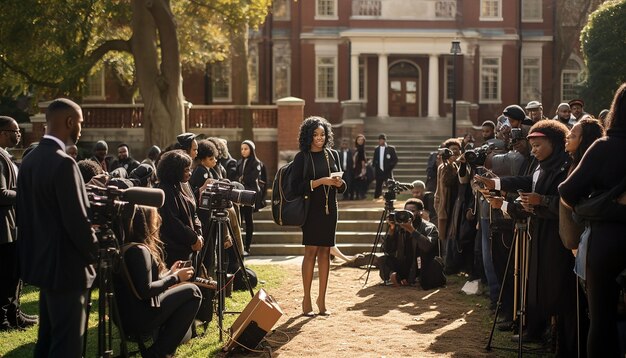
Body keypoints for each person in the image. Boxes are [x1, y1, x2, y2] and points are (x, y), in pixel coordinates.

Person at [476, 120, 577, 354]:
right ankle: (545, 336)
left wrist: (539, 202)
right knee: (539, 287)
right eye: (531, 146)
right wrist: (496, 183)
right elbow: (526, 182)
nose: (533, 151)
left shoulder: (564, 167)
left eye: (538, 145)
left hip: (556, 238)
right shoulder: (541, 165)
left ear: (554, 143)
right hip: (538, 234)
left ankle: (559, 343)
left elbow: (564, 205)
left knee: (557, 293)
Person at [16, 99, 99, 357]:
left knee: (48, 340)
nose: (81, 129)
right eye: (81, 123)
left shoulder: (29, 160)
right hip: (68, 268)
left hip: (43, 264)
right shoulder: (64, 162)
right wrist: (97, 254)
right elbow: (76, 223)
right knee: (68, 345)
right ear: (70, 122)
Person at [559, 83, 626, 357]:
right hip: (606, 238)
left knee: (601, 320)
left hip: (605, 241)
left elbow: (567, 192)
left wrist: (592, 209)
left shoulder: (604, 147)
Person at [114, 206, 201, 357]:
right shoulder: (139, 251)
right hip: (141, 317)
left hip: (125, 317)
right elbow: (145, 291)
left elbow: (141, 283)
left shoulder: (125, 248)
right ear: (146, 223)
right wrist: (175, 278)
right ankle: (158, 353)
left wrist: (170, 273)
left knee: (189, 291)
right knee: (193, 292)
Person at [289, 116, 345, 316]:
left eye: (322, 134)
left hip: (330, 209)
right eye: (315, 135)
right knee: (311, 251)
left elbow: (342, 186)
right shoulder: (301, 158)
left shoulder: (332, 155)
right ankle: (306, 298)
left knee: (325, 252)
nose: (319, 138)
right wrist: (320, 181)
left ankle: (322, 299)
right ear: (308, 136)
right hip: (311, 211)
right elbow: (295, 187)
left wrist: (339, 183)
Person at [0, 116, 37, 331]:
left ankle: (14, 314)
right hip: (2, 229)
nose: (18, 134)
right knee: (5, 276)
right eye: (15, 131)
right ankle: (3, 318)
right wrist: (26, 193)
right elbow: (2, 194)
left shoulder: (5, 155)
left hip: (12, 226)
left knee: (14, 275)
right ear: (3, 133)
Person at [157, 150, 203, 267]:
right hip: (174, 252)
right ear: (175, 171)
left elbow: (194, 213)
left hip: (188, 247)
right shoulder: (165, 190)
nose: (190, 173)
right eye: (186, 170)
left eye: (190, 169)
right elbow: (173, 222)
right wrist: (193, 239)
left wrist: (198, 234)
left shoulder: (180, 186)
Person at [379, 199, 439, 287]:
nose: (409, 213)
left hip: (421, 262)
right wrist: (391, 230)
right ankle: (397, 278)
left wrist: (411, 230)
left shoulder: (429, 227)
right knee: (384, 259)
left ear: (420, 212)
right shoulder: (399, 225)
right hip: (404, 262)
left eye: (413, 211)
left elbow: (427, 246)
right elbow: (387, 249)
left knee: (428, 274)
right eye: (406, 211)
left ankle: (410, 279)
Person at [236, 140, 264, 255]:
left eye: (246, 149)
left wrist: (242, 179)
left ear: (251, 150)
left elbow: (253, 177)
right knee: (239, 220)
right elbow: (236, 175)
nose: (243, 151)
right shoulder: (239, 162)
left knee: (248, 220)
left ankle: (247, 247)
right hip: (240, 193)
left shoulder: (256, 163)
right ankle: (239, 246)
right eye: (242, 149)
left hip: (250, 194)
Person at [372, 133, 398, 199]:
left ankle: (392, 197)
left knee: (390, 184)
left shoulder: (391, 149)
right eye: (380, 140)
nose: (381, 141)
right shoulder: (376, 149)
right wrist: (375, 165)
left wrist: (390, 167)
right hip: (379, 171)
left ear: (385, 140)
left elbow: (395, 159)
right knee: (378, 185)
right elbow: (374, 159)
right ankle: (376, 198)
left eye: (382, 140)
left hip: (387, 171)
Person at [352, 134, 368, 200]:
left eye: (362, 140)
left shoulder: (361, 149)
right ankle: (358, 195)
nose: (360, 141)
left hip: (360, 167)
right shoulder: (357, 148)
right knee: (357, 181)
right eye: (359, 140)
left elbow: (363, 160)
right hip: (356, 167)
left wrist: (363, 169)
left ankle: (360, 195)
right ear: (356, 141)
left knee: (360, 181)